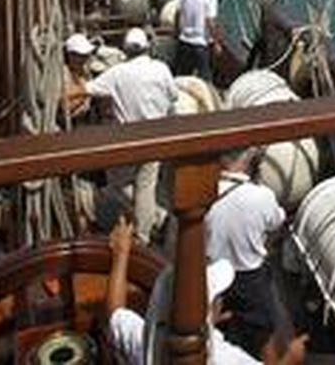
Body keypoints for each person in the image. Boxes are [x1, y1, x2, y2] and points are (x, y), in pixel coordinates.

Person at [105, 216, 306, 365]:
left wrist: (121, 254)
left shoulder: (147, 339)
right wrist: (290, 359)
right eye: (217, 297)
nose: (221, 300)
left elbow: (114, 313)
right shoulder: (225, 358)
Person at [90, 28, 179, 244]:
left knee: (118, 186)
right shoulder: (161, 68)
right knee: (146, 186)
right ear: (147, 48)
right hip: (155, 138)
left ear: (126, 50)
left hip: (128, 141)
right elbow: (174, 96)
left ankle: (153, 220)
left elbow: (89, 89)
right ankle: (145, 233)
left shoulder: (118, 72)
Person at [205, 146, 285, 357]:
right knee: (265, 335)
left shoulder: (204, 193)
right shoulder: (262, 196)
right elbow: (276, 222)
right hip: (251, 280)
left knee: (213, 338)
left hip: (214, 279)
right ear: (248, 157)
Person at [173, 0, 222, 79]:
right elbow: (210, 21)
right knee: (206, 80)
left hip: (184, 41)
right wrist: (216, 43)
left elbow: (178, 13)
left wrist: (176, 32)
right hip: (200, 45)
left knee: (181, 78)